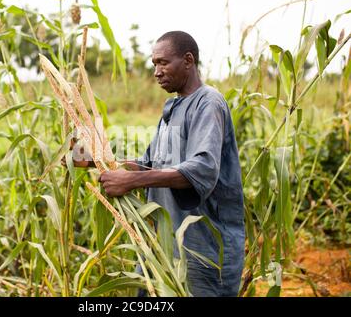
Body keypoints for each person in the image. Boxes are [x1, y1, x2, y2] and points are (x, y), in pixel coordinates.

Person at [75, 31, 245, 297]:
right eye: (154, 64)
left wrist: (131, 181)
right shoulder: (173, 109)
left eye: (163, 62)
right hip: (166, 244)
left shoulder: (208, 104)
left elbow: (202, 169)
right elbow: (150, 166)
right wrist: (99, 161)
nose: (157, 72)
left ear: (188, 60)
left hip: (203, 249)